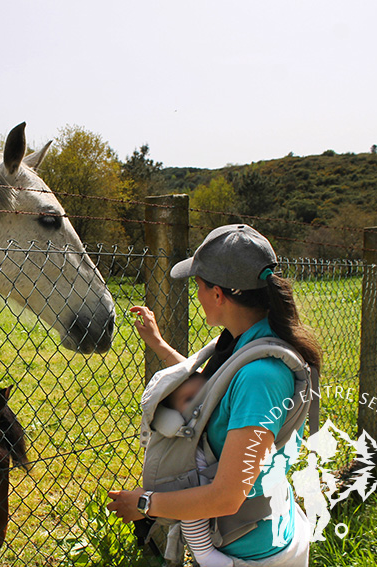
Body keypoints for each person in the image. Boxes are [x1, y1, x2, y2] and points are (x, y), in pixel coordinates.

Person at [107, 224, 321, 566]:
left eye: (199, 285)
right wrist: (160, 346)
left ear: (218, 294)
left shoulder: (260, 377)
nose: (198, 294)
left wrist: (145, 503)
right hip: (267, 528)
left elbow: (226, 497)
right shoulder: (248, 343)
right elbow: (216, 393)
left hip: (253, 553)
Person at [162, 375, 235, 567]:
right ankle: (203, 552)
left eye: (204, 396)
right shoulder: (191, 450)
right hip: (193, 495)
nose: (199, 405)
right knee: (194, 502)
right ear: (176, 413)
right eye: (189, 400)